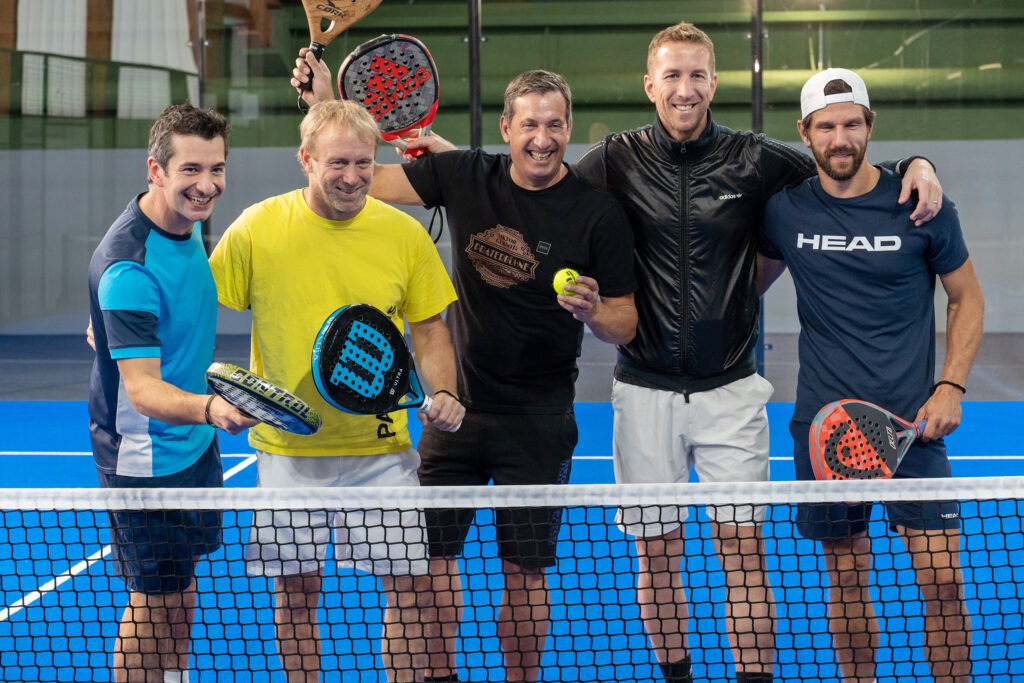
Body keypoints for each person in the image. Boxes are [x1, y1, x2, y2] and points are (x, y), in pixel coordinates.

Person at [571, 22, 948, 683]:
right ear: (649, 84)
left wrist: (918, 164)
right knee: (655, 555)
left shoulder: (760, 159)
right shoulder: (614, 159)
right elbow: (536, 187)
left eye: (697, 75)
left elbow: (851, 165)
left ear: (713, 83)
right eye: (672, 75)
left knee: (742, 550)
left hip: (731, 391)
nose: (684, 89)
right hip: (642, 389)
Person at [291, 57, 638, 682]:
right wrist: (320, 106)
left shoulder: (597, 214)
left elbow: (626, 322)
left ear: (568, 129)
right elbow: (359, 179)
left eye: (555, 125)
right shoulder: (464, 175)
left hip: (540, 418)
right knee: (430, 563)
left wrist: (593, 312)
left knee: (527, 573)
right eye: (530, 123)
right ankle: (440, 675)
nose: (543, 137)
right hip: (454, 413)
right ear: (506, 127)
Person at [207, 100, 465, 683]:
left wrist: (444, 389)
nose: (352, 177)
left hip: (383, 452)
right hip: (287, 451)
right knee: (296, 597)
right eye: (338, 163)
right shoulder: (257, 227)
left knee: (410, 593)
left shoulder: (402, 233)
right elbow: (199, 306)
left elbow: (428, 328)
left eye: (364, 164)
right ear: (305, 159)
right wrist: (126, 320)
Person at [758, 67, 983, 683]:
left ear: (869, 126)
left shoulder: (921, 204)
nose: (840, 138)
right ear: (804, 133)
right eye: (826, 126)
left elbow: (967, 297)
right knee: (847, 574)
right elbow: (744, 283)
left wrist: (951, 385)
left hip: (916, 427)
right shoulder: (782, 211)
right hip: (825, 429)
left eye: (851, 124)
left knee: (943, 581)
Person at [87, 103, 258, 683]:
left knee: (180, 592)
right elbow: (142, 392)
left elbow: (129, 329)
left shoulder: (182, 228)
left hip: (191, 444)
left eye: (216, 168)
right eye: (190, 170)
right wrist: (212, 408)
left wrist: (111, 332)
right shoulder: (129, 265)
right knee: (152, 602)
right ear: (155, 170)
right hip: (146, 459)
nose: (206, 185)